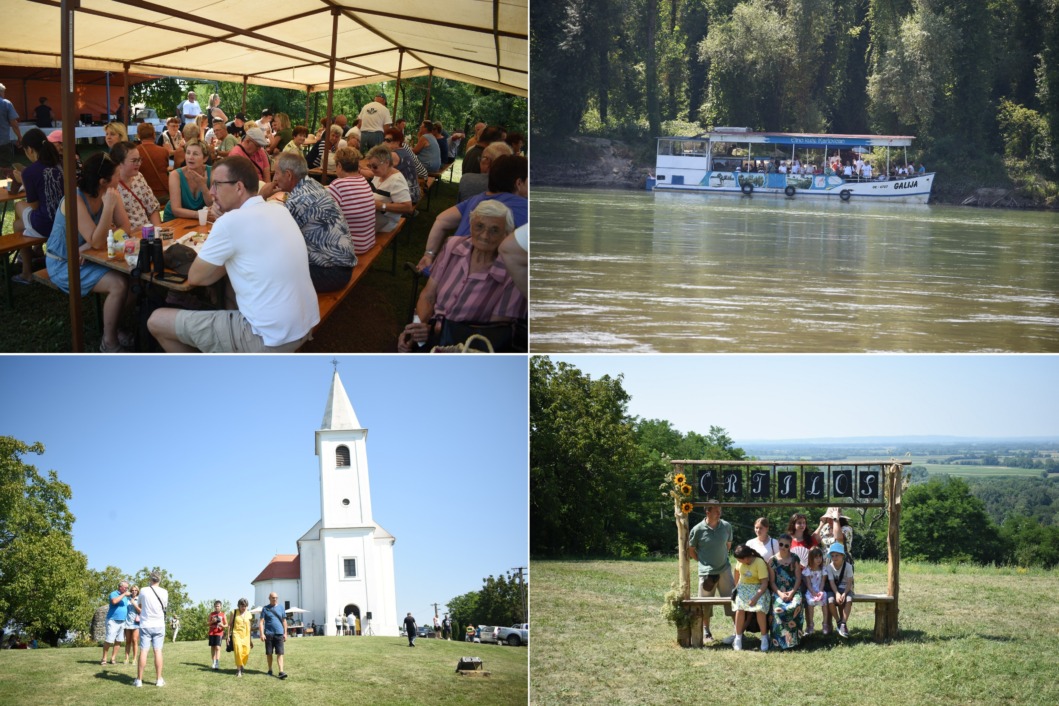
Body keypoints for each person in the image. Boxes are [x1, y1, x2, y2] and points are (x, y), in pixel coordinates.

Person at [147, 156, 319, 352]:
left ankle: (204, 379)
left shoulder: (230, 222)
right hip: (304, 324)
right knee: (229, 290)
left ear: (238, 187)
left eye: (217, 185)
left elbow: (196, 278)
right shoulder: (279, 210)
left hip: (268, 338)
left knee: (156, 321)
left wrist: (224, 223)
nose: (211, 193)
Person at [397, 199, 527, 352]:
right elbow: (428, 296)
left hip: (469, 345)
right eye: (479, 226)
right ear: (470, 226)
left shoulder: (512, 272)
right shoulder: (453, 245)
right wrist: (417, 329)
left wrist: (434, 332)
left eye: (494, 230)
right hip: (430, 331)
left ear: (507, 235)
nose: (485, 235)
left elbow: (494, 331)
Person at [45, 152, 132, 352]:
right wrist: (106, 215)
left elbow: (125, 228)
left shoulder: (111, 193)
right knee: (119, 284)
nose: (120, 178)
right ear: (103, 181)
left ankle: (115, 325)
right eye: (117, 175)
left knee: (133, 278)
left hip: (89, 256)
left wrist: (91, 245)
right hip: (64, 262)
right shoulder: (74, 200)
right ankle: (108, 341)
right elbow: (98, 240)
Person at [261, 150, 356, 292]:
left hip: (329, 273)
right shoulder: (313, 184)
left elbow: (272, 238)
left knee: (266, 270)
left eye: (276, 173)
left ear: (288, 175)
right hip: (343, 265)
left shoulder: (297, 200)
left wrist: (261, 197)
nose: (274, 179)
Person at [417, 154, 527, 272]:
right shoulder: (526, 207)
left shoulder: (477, 198)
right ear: (519, 183)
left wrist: (429, 254)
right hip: (486, 279)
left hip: (449, 268)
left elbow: (441, 220)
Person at [10, 129, 63, 285]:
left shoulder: (30, 172)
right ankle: (36, 252)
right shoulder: (59, 164)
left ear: (30, 150)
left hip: (47, 224)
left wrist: (24, 182)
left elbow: (33, 206)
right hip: (64, 220)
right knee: (17, 224)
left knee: (18, 205)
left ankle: (26, 271)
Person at [686, 503, 735, 643]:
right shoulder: (698, 529)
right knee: (705, 603)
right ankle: (706, 632)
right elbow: (691, 550)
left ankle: (736, 631)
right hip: (706, 573)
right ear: (707, 512)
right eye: (716, 511)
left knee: (731, 600)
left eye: (720, 511)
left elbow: (728, 545)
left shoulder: (726, 526)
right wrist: (703, 562)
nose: (719, 514)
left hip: (724, 569)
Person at [327, 146, 376, 254]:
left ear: (339, 165)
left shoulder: (338, 184)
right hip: (367, 241)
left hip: (350, 246)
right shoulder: (363, 181)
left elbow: (325, 216)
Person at [112, 141, 161, 232]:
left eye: (139, 159)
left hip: (148, 234)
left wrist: (158, 231)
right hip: (125, 239)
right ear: (119, 163)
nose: (139, 163)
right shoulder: (111, 186)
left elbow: (153, 208)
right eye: (134, 160)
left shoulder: (139, 177)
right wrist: (134, 232)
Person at [365, 144, 414, 232]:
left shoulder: (396, 181)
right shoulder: (379, 174)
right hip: (373, 216)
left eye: (374, 166)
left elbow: (408, 207)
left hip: (385, 222)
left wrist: (381, 206)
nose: (372, 169)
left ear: (387, 162)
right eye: (369, 166)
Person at [731, 544, 770, 652]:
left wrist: (756, 598)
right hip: (743, 588)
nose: (739, 561)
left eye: (740, 559)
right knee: (740, 608)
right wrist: (736, 587)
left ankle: (764, 637)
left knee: (760, 608)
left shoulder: (759, 562)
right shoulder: (740, 561)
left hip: (759, 589)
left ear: (747, 558)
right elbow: (737, 572)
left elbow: (764, 583)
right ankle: (738, 637)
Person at [768, 534, 803, 650]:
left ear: (790, 546)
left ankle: (794, 641)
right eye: (781, 544)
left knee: (795, 606)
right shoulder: (772, 560)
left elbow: (798, 578)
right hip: (778, 591)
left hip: (794, 590)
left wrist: (792, 593)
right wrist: (780, 594)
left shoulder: (795, 558)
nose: (783, 547)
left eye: (786, 545)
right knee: (779, 609)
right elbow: (772, 582)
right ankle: (778, 641)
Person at [162, 140, 212, 221]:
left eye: (195, 154)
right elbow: (176, 210)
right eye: (188, 153)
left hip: (201, 219)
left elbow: (212, 204)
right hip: (175, 219)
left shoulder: (212, 172)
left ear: (205, 158)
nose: (190, 157)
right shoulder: (175, 175)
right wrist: (199, 214)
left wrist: (203, 187)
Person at [134, 571, 168, 688]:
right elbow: (164, 607)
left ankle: (139, 680)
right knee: (157, 651)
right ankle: (159, 679)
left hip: (146, 624)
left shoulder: (143, 590)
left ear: (150, 578)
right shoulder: (164, 592)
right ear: (160, 579)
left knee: (144, 650)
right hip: (159, 624)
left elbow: (140, 606)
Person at [383, 128, 426, 204]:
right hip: (414, 192)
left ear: (397, 142)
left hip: (408, 196)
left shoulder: (394, 155)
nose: (384, 143)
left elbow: (379, 173)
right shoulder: (403, 151)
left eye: (388, 140)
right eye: (384, 139)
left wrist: (360, 170)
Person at [825, 543, 854, 638]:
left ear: (842, 556)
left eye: (837, 555)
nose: (834, 557)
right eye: (832, 555)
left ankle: (843, 624)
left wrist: (844, 594)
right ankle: (838, 621)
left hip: (846, 588)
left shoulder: (848, 566)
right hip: (834, 589)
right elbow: (831, 582)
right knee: (830, 601)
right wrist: (837, 594)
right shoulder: (829, 567)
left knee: (849, 600)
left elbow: (849, 582)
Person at [134, 123, 170, 199]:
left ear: (138, 136)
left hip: (144, 195)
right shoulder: (164, 151)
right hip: (164, 193)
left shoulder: (134, 152)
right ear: (154, 135)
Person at [102, 580, 131, 665]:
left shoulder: (126, 596)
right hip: (112, 620)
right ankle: (104, 658)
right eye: (125, 587)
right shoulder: (114, 594)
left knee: (119, 640)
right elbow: (114, 601)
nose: (126, 589)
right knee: (109, 640)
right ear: (120, 587)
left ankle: (113, 658)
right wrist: (124, 594)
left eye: (127, 588)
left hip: (122, 621)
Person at [261, 592, 288, 678]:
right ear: (269, 598)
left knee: (280, 653)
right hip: (268, 634)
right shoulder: (265, 608)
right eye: (273, 597)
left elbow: (284, 621)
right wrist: (262, 634)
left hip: (279, 633)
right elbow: (261, 622)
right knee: (269, 653)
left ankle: (281, 671)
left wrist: (285, 633)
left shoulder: (281, 607)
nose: (275, 599)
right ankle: (270, 669)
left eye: (276, 597)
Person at [802, 546, 827, 635]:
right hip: (811, 590)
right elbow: (808, 583)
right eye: (816, 557)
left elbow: (823, 582)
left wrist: (820, 592)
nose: (818, 559)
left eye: (820, 557)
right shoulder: (808, 569)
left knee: (824, 601)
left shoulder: (823, 569)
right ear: (811, 558)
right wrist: (813, 592)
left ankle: (825, 623)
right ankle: (811, 624)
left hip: (820, 589)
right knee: (810, 602)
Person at [227, 598, 252, 677]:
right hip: (236, 634)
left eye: (245, 606)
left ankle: (241, 665)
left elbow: (249, 626)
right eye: (242, 606)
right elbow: (229, 625)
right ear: (238, 606)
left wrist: (250, 640)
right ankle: (238, 670)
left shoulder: (249, 614)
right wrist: (227, 636)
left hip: (246, 636)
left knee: (246, 652)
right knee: (238, 650)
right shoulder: (234, 612)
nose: (243, 608)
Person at [0, 83, 22, 164]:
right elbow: (14, 123)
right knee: (5, 167)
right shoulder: (6, 103)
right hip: (3, 141)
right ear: (1, 92)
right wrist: (19, 137)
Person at [122, 585, 142, 665]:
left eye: (135, 590)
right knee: (128, 641)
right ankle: (126, 658)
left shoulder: (139, 599)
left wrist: (134, 603)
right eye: (132, 590)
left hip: (136, 622)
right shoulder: (127, 599)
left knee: (134, 640)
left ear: (138, 591)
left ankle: (134, 659)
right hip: (127, 622)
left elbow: (141, 611)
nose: (134, 591)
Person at [208, 600, 227, 670]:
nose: (217, 607)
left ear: (221, 607)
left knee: (218, 647)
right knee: (213, 647)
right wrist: (212, 622)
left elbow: (227, 624)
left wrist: (222, 625)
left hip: (219, 632)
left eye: (218, 606)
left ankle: (217, 663)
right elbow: (207, 623)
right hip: (212, 632)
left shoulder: (223, 614)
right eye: (215, 606)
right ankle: (213, 662)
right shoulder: (211, 614)